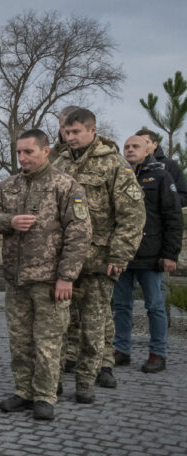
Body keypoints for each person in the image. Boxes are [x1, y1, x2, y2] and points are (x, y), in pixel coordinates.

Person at [0, 129, 91, 420]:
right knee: (19, 341)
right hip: (16, 279)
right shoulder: (9, 186)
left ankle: (44, 396)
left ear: (46, 151)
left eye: (28, 152)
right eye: (19, 152)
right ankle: (24, 392)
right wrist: (10, 221)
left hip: (49, 280)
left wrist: (67, 276)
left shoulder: (65, 186)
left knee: (48, 341)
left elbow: (79, 235)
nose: (22, 158)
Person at [53, 108, 145, 404]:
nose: (70, 137)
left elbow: (131, 215)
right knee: (58, 325)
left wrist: (119, 256)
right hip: (63, 260)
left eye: (76, 132)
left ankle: (86, 381)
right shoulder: (59, 162)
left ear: (92, 131)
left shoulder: (114, 164)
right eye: (67, 132)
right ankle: (51, 381)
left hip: (98, 261)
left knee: (94, 326)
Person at [112, 136, 182, 373]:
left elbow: (173, 216)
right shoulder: (119, 176)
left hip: (151, 256)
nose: (130, 150)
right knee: (121, 305)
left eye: (135, 147)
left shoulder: (161, 176)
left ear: (148, 150)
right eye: (127, 147)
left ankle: (157, 353)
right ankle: (121, 350)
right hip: (123, 255)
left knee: (155, 306)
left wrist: (170, 254)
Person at [135, 128, 187, 207]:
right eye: (138, 143)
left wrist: (159, 203)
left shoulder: (170, 166)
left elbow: (183, 197)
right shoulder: (128, 168)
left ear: (155, 145)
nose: (142, 146)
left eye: (146, 142)